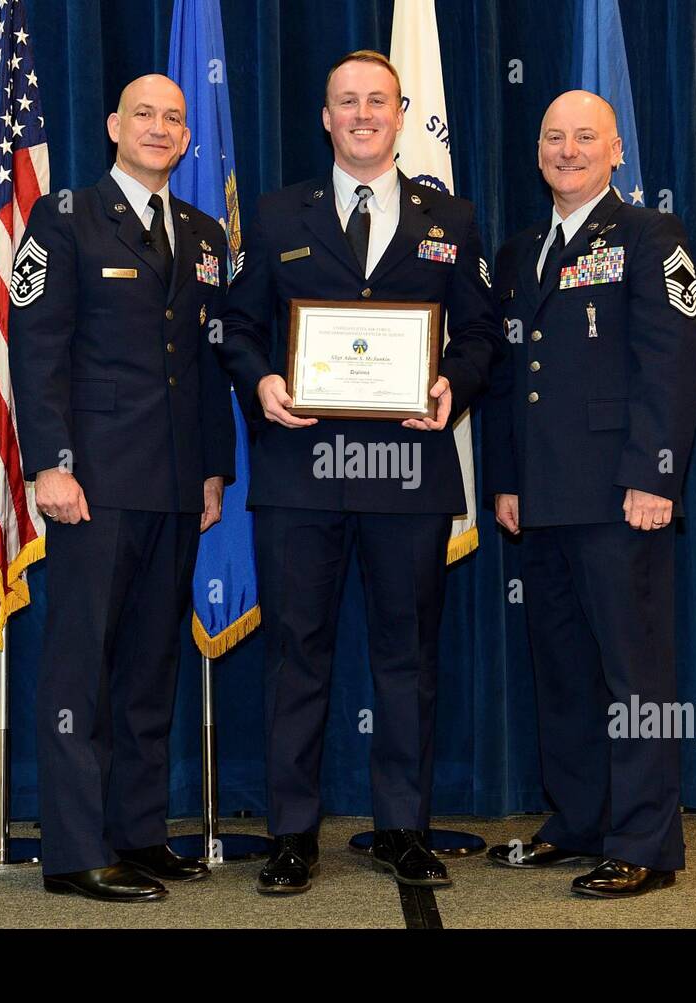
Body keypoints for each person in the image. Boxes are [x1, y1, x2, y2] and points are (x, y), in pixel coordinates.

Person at [218, 50, 500, 894]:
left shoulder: (454, 218)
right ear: (327, 118)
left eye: (378, 100)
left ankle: (403, 831)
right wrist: (263, 380)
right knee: (295, 655)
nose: (363, 114)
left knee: (407, 656)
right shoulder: (272, 217)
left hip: (408, 472)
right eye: (348, 101)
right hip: (301, 474)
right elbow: (235, 327)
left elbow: (482, 335)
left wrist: (455, 382)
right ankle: (291, 836)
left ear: (401, 112)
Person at [8, 74, 235, 902]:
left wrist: (214, 468)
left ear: (186, 139)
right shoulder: (64, 219)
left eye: (174, 119)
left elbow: (209, 365)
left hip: (176, 486)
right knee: (81, 671)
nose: (160, 128)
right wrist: (50, 463)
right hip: (93, 482)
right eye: (144, 114)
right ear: (113, 125)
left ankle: (139, 834)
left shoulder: (206, 235)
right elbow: (38, 348)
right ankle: (73, 850)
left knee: (149, 669)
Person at [482, 90, 696, 898]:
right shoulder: (519, 253)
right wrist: (505, 480)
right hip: (542, 500)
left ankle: (644, 839)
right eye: (553, 137)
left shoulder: (650, 236)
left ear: (616, 151)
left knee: (635, 674)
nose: (566, 150)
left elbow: (672, 363)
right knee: (565, 670)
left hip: (620, 495)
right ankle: (577, 820)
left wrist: (655, 473)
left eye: (585, 138)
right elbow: (509, 380)